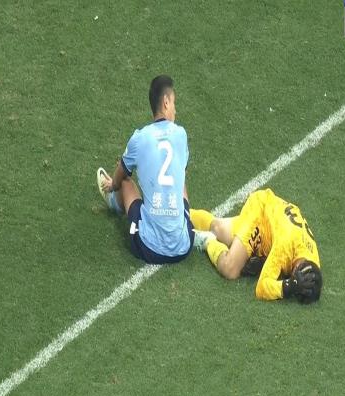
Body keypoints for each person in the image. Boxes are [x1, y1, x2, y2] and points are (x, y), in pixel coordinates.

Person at [97, 75, 194, 264]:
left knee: (125, 182)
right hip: (184, 246)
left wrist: (113, 184)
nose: (175, 109)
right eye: (174, 103)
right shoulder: (181, 134)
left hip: (149, 248)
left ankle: (113, 202)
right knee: (180, 179)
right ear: (166, 102)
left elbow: (120, 175)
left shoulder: (139, 138)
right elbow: (181, 173)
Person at [192, 189, 323, 303]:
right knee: (230, 268)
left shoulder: (313, 260)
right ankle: (207, 240)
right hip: (260, 213)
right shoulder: (285, 247)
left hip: (272, 215)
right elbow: (262, 288)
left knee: (218, 229)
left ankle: (185, 213)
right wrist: (289, 286)